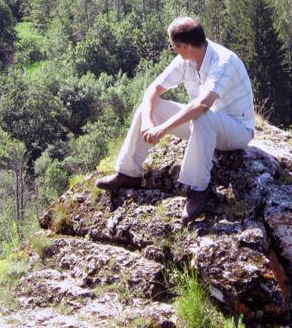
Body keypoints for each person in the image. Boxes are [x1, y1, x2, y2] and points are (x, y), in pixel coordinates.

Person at [96, 16, 255, 223]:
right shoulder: (187, 59)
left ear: (185, 46)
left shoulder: (223, 61)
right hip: (206, 127)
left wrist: (161, 129)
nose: (174, 50)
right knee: (149, 108)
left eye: (174, 46)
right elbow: (153, 89)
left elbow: (202, 105)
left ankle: (200, 188)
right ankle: (129, 173)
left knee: (202, 116)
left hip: (237, 130)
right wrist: (148, 123)